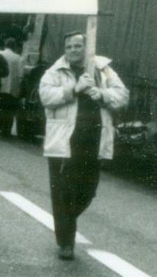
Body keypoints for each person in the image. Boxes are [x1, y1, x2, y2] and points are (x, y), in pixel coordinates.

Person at [39, 31, 128, 261]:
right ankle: (66, 242)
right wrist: (74, 89)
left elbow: (123, 95)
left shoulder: (103, 69)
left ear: (87, 48)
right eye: (69, 46)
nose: (73, 50)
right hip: (64, 142)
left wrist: (102, 94)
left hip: (94, 141)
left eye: (78, 46)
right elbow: (46, 96)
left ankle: (66, 220)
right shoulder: (55, 71)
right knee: (62, 193)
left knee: (88, 191)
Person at [0, 37, 23, 137]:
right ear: (14, 46)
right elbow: (20, 75)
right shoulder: (18, 58)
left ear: (5, 45)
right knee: (9, 110)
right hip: (12, 88)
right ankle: (6, 131)